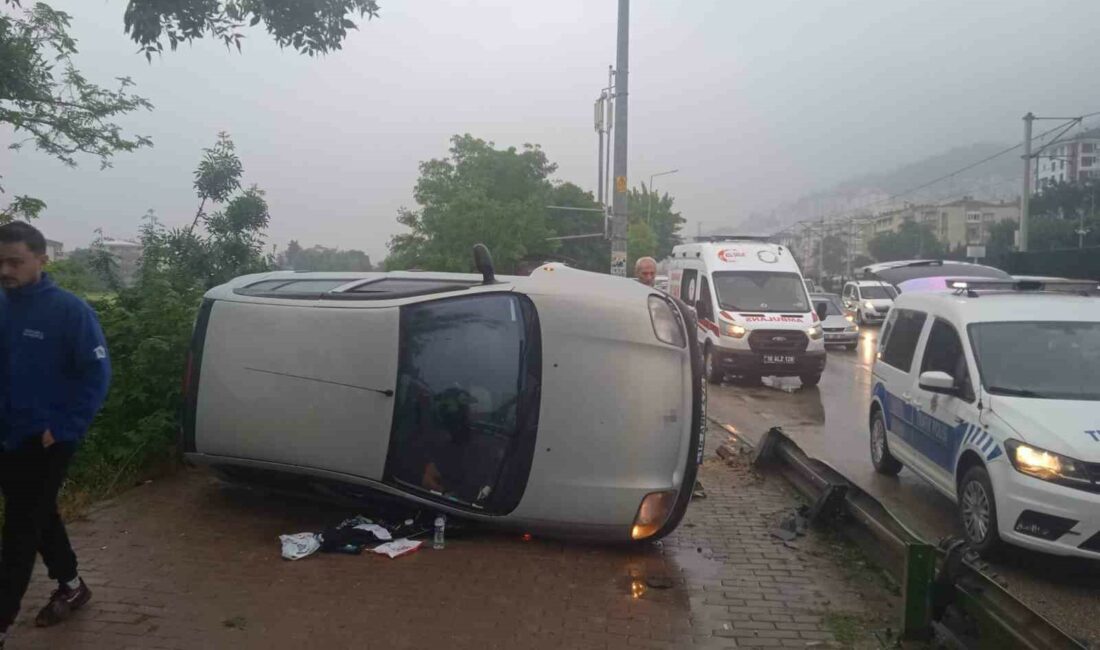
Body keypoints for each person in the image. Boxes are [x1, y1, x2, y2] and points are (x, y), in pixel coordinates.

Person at [0, 222, 111, 645]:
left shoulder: (70, 312)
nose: (5, 270)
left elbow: (96, 375)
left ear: (41, 260)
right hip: (6, 433)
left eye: (15, 261)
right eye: (0, 262)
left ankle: (2, 620)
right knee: (37, 513)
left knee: (19, 531)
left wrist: (63, 427)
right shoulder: (2, 305)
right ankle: (71, 584)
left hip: (46, 440)